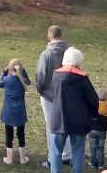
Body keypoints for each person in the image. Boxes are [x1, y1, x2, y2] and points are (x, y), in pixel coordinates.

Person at [48, 47, 99, 173]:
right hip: (78, 121)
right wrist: (92, 116)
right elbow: (93, 99)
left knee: (56, 151)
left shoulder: (56, 76)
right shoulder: (83, 79)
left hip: (59, 119)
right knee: (78, 151)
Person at [36, 25, 71, 168]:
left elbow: (41, 76)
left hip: (49, 95)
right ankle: (67, 155)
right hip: (66, 95)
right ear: (61, 36)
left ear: (49, 37)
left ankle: (52, 158)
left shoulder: (46, 54)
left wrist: (41, 90)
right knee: (66, 124)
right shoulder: (69, 53)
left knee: (51, 126)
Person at [0, 58, 31, 165]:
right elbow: (28, 81)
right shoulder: (22, 81)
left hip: (8, 111)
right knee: (21, 133)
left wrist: (4, 72)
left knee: (9, 133)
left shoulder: (7, 79)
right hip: (20, 111)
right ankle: (23, 158)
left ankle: (9, 158)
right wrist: (22, 72)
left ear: (10, 68)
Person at [89, 88, 107, 169]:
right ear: (106, 97)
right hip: (102, 131)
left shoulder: (92, 105)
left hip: (92, 129)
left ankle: (92, 162)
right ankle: (100, 164)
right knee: (101, 147)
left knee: (92, 147)